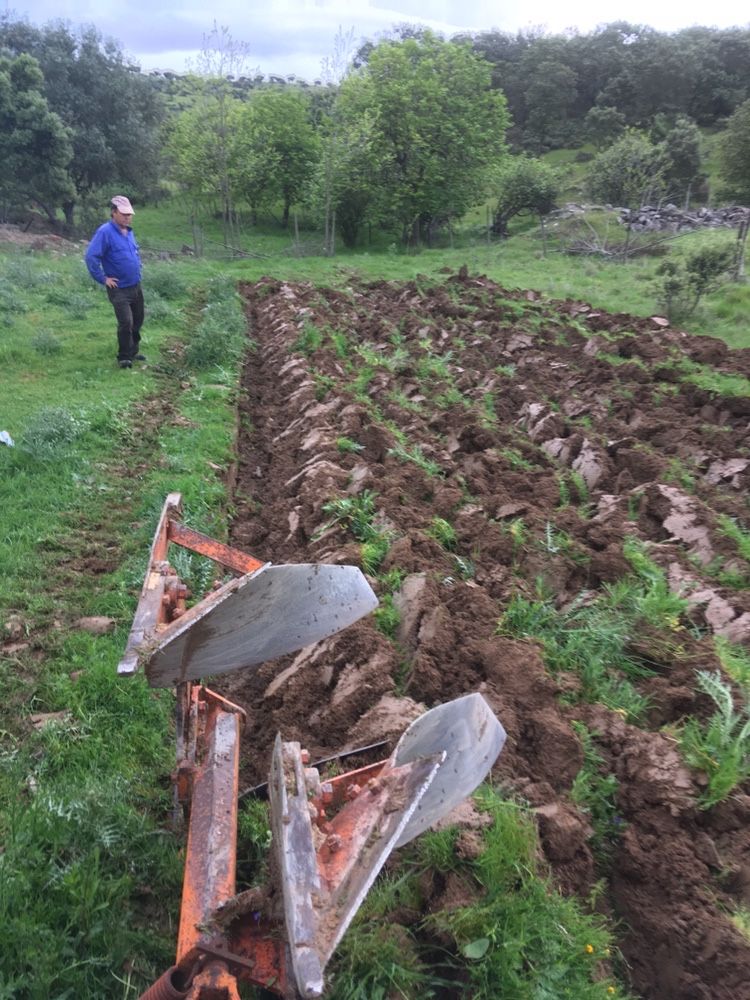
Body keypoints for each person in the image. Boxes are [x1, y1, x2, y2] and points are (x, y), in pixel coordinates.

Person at [85, 195, 146, 369]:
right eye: (124, 214)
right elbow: (91, 256)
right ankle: (124, 357)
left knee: (138, 320)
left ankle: (133, 351)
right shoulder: (105, 232)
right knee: (126, 321)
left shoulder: (129, 232)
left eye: (130, 214)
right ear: (113, 213)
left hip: (135, 284)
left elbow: (134, 253)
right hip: (119, 288)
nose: (128, 217)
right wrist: (103, 278)